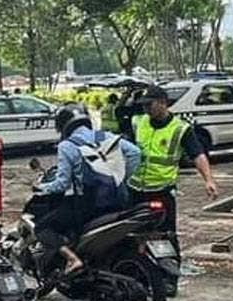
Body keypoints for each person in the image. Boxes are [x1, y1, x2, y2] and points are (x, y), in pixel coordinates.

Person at [34, 103, 141, 275]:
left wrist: (41, 187)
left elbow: (62, 183)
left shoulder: (67, 146)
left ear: (63, 126)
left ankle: (72, 259)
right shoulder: (105, 136)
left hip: (85, 206)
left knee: (41, 228)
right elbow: (135, 153)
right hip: (119, 201)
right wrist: (120, 178)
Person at [127, 85, 218, 259]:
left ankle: (170, 275)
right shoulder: (138, 122)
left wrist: (209, 180)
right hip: (135, 189)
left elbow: (198, 154)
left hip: (161, 191)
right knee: (132, 234)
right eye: (144, 105)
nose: (146, 109)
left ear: (163, 103)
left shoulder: (180, 128)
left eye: (150, 105)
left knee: (167, 235)